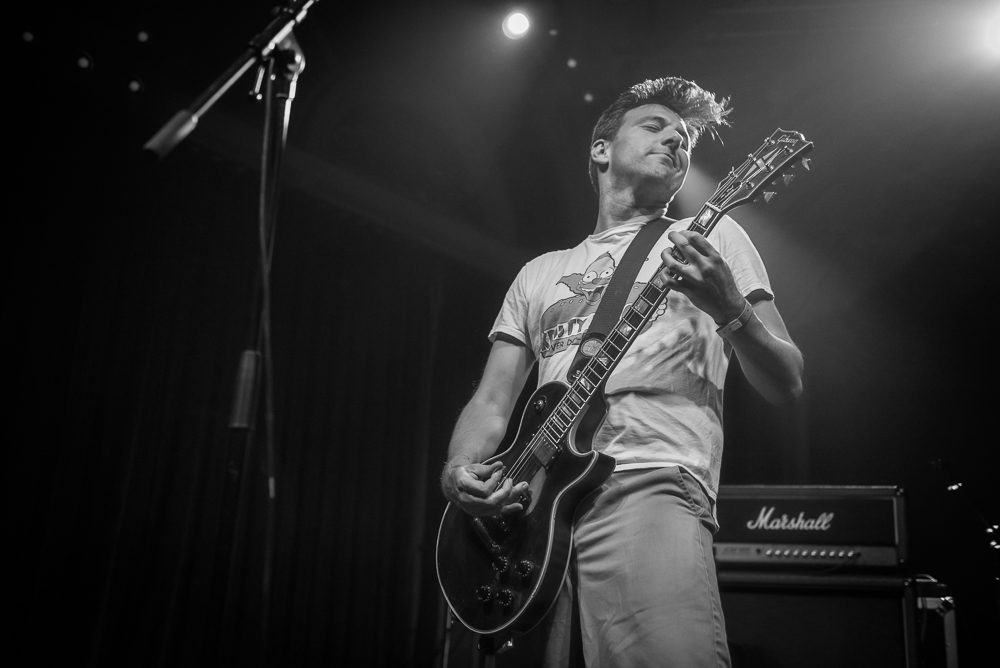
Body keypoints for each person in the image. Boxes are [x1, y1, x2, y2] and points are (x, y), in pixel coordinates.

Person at [439, 77, 804, 667]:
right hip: (527, 511)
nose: (676, 141)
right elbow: (492, 400)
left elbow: (787, 380)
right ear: (601, 149)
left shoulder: (711, 238)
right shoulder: (540, 271)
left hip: (650, 478)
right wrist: (459, 470)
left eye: (685, 139)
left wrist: (731, 310)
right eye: (655, 127)